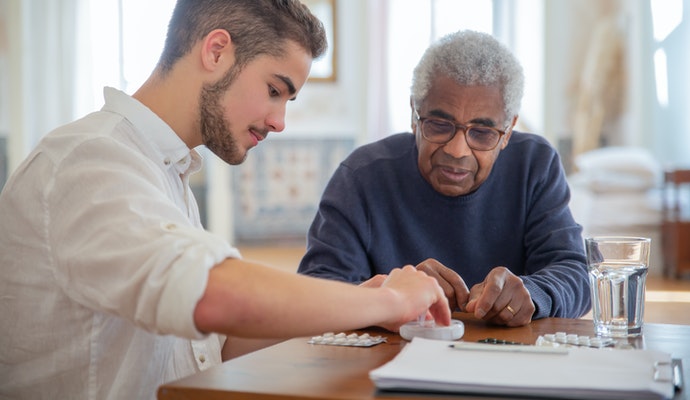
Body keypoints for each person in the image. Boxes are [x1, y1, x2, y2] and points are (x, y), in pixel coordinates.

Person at [0, 1, 451, 399]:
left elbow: (211, 345)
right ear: (216, 51)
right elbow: (212, 295)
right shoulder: (89, 159)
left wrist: (352, 299)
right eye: (275, 90)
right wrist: (390, 303)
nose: (280, 122)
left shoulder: (163, 170)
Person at [298, 30, 591, 327]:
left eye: (482, 132)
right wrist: (394, 294)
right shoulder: (361, 177)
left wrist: (534, 291)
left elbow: (575, 273)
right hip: (385, 363)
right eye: (439, 125)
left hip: (509, 361)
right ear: (414, 115)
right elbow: (317, 294)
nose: (457, 150)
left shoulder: (534, 166)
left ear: (508, 131)